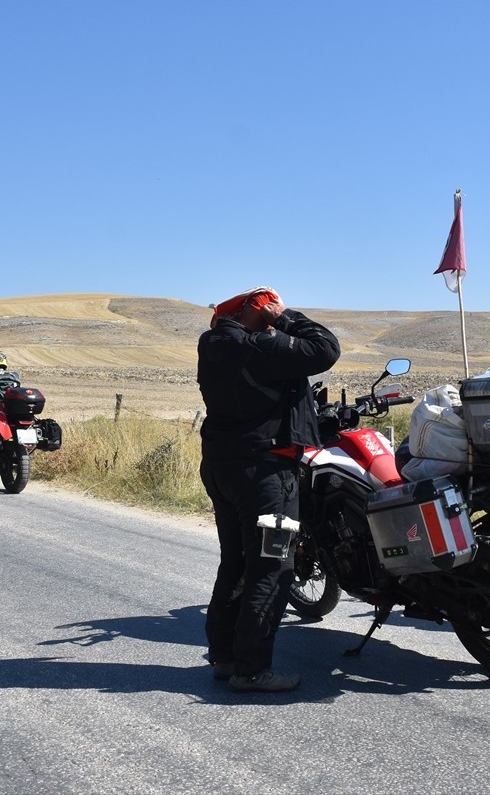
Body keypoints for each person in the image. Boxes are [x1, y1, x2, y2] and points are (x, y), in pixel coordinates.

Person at [197, 286, 340, 692]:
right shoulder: (260, 347)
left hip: (223, 468)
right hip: (265, 473)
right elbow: (326, 349)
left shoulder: (214, 346)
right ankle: (252, 670)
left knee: (237, 563)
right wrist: (286, 316)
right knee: (272, 569)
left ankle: (224, 657)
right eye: (268, 308)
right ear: (257, 312)